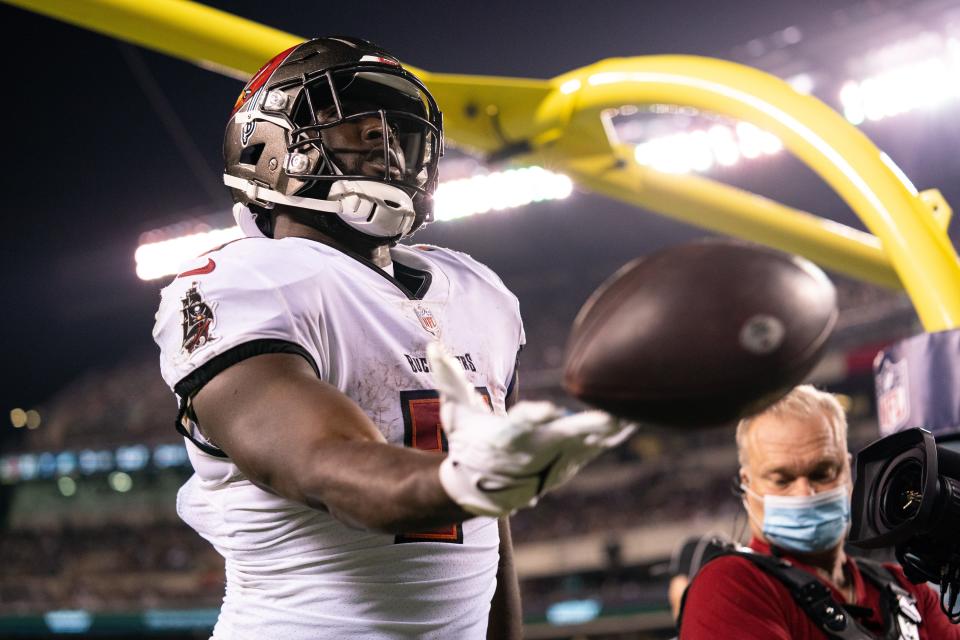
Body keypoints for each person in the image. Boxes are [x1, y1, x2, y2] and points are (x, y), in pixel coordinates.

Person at [152, 37, 631, 640]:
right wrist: (461, 480)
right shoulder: (243, 281)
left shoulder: (477, 290)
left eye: (394, 124)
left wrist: (480, 488)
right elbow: (324, 466)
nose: (382, 136)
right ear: (266, 146)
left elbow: (489, 542)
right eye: (344, 115)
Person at [679, 385, 960, 639]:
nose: (804, 493)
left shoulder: (908, 590)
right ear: (746, 485)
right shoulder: (730, 586)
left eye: (822, 472)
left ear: (849, 472)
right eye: (782, 479)